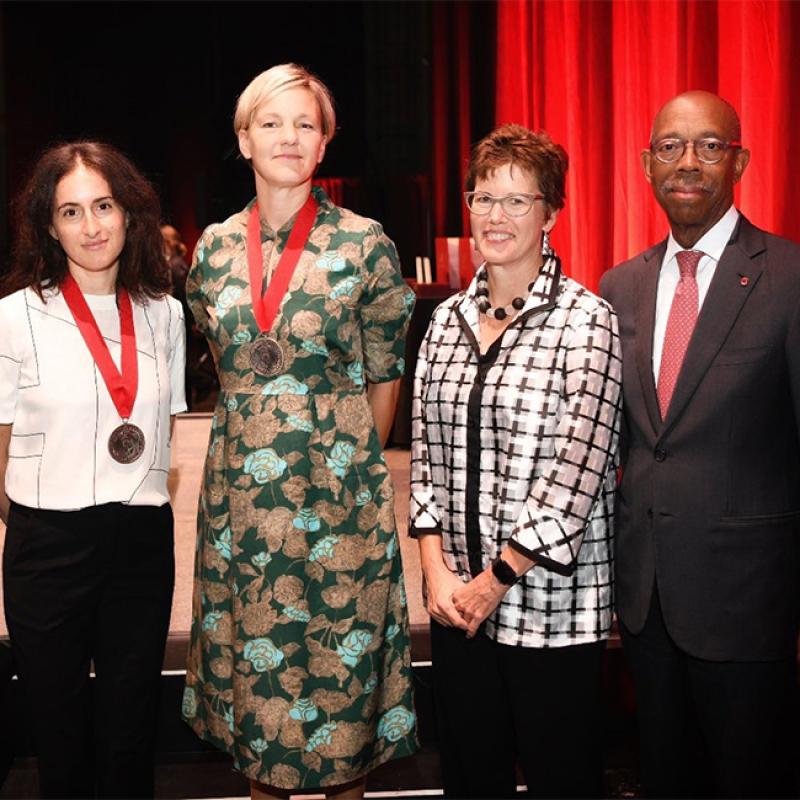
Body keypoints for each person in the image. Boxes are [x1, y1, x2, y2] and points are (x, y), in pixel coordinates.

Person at [182, 64, 418, 799]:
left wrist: (348, 463)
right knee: (264, 712)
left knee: (340, 718)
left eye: (306, 125)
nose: (289, 137)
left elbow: (385, 373)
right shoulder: (213, 250)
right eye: (272, 122)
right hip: (243, 514)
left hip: (339, 505)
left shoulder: (365, 243)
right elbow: (226, 365)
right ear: (244, 136)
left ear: (325, 143)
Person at [409, 124, 622, 799]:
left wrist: (491, 581)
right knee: (472, 781)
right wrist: (436, 571)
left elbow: (576, 478)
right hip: (456, 611)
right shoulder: (444, 320)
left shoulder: (586, 320)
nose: (495, 217)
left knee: (563, 779)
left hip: (550, 613)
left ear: (551, 214)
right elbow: (425, 462)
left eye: (517, 201)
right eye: (482, 198)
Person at [600, 90, 800, 798]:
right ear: (646, 164)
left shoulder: (789, 278)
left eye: (709, 146)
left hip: (750, 606)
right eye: (670, 147)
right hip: (647, 603)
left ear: (739, 160)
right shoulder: (619, 288)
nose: (688, 163)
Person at [0, 141, 187, 798]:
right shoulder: (13, 317)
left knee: (130, 731)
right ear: (49, 227)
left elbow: (157, 431)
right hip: (47, 546)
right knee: (60, 736)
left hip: (139, 544)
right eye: (71, 211)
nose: (92, 226)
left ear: (129, 212)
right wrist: (40, 517)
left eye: (103, 206)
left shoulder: (165, 314)